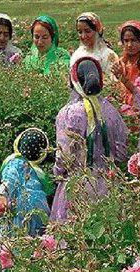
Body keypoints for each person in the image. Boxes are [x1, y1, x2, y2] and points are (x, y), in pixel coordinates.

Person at [51, 56, 128, 222]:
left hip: (77, 186)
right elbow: (121, 154)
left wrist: (57, 174)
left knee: (75, 238)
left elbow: (63, 158)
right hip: (108, 185)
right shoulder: (111, 111)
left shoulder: (68, 113)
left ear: (74, 81)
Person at [0, 128, 53, 236]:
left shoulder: (14, 163)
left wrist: (2, 196)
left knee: (14, 238)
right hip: (38, 209)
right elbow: (48, 190)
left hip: (18, 209)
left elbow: (9, 180)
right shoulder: (39, 173)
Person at [112, 20, 140, 136]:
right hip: (123, 115)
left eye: (134, 40)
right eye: (126, 41)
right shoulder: (121, 63)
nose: (129, 45)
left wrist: (123, 79)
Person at [70, 12, 118, 81]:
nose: (83, 36)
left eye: (87, 31)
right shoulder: (77, 54)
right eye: (80, 32)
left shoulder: (108, 55)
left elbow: (114, 82)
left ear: (97, 31)